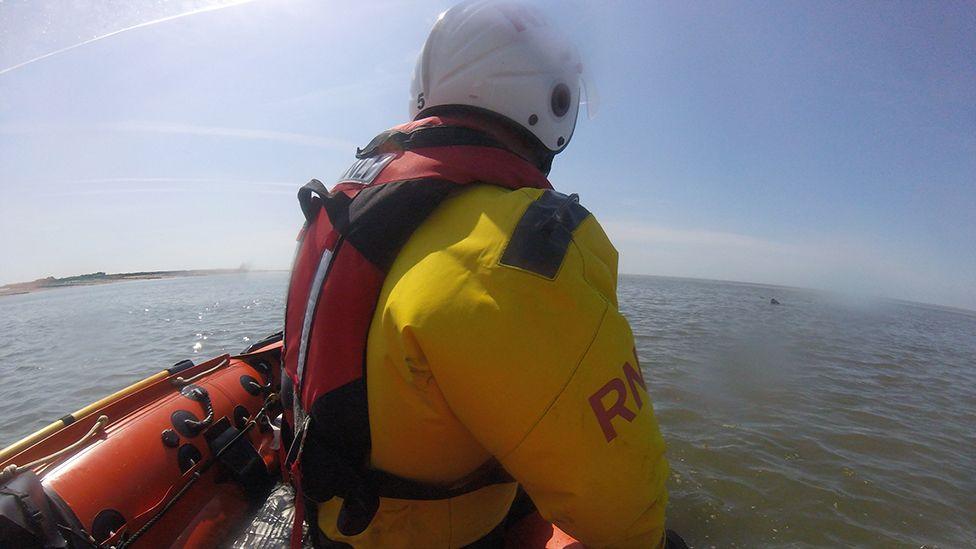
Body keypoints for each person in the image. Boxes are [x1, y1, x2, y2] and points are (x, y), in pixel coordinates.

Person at [280, 2, 684, 547]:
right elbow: (626, 515)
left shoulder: (357, 202)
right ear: (551, 99)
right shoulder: (519, 253)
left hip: (335, 517)